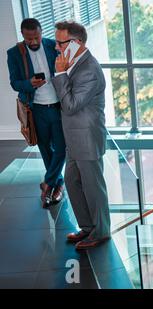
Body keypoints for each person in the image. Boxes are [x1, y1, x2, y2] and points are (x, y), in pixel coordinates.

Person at [51, 21, 110, 250]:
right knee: (72, 182)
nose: (56, 47)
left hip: (86, 138)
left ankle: (101, 232)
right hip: (74, 138)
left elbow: (71, 105)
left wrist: (59, 73)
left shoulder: (90, 70)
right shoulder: (75, 63)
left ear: (75, 43)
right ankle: (87, 227)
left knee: (93, 187)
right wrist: (63, 72)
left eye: (60, 42)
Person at [7, 18, 66, 207]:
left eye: (36, 37)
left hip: (58, 106)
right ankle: (57, 185)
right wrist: (29, 84)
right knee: (45, 148)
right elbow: (15, 83)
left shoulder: (52, 46)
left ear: (42, 32)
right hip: (36, 109)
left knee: (61, 147)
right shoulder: (15, 53)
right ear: (23, 35)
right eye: (29, 38)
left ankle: (48, 184)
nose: (33, 42)